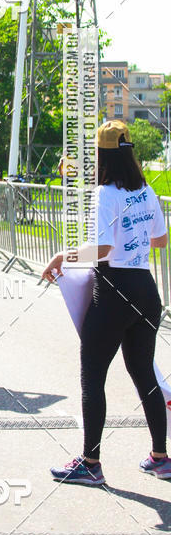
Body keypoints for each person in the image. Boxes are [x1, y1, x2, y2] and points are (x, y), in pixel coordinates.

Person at [43, 120, 170, 484]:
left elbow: (102, 249)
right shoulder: (145, 190)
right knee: (144, 373)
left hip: (114, 290)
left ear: (100, 156)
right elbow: (160, 240)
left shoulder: (104, 193)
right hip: (146, 290)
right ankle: (161, 458)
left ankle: (91, 463)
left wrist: (63, 257)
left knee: (93, 376)